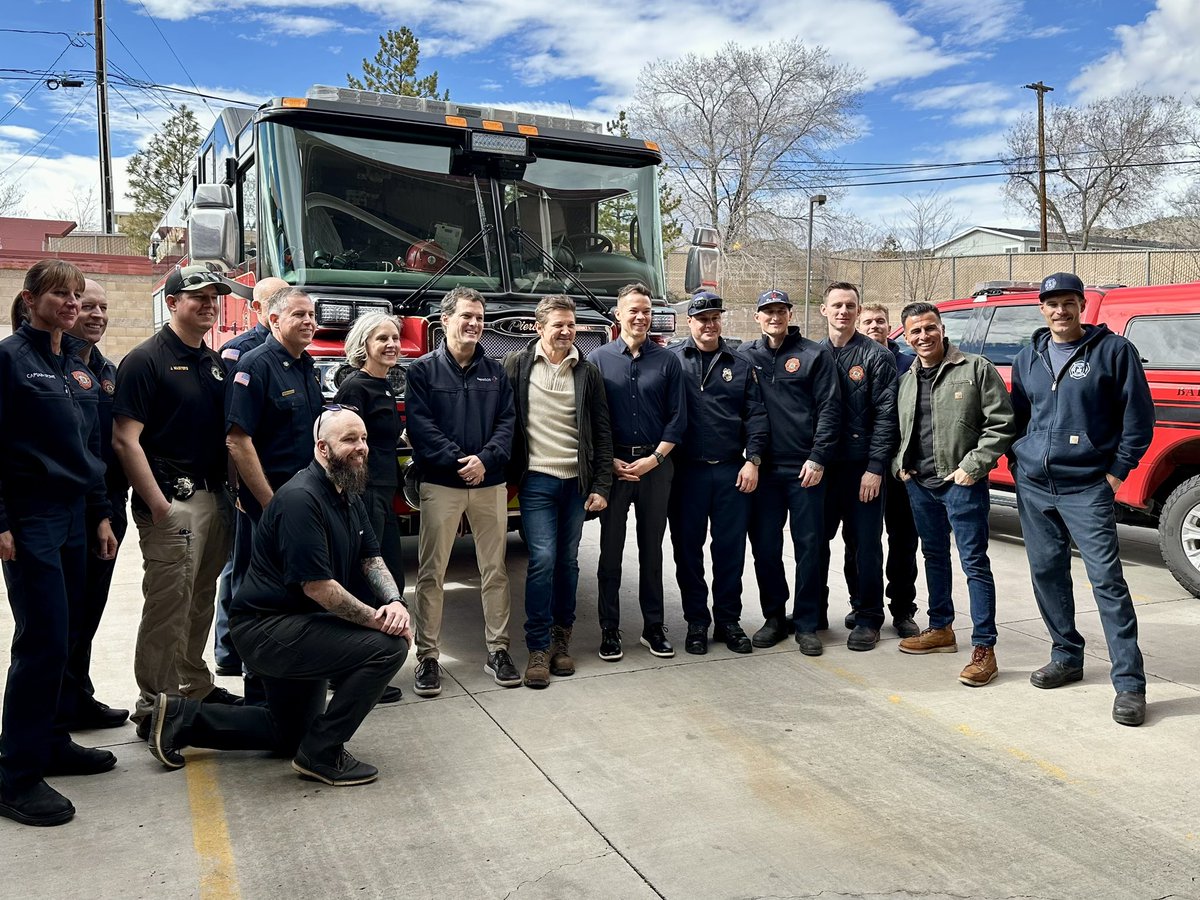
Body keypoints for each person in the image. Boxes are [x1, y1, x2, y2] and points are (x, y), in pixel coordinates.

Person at [146, 409, 411, 786]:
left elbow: (371, 558)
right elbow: (319, 588)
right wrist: (380, 620)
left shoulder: (347, 493)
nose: (362, 448)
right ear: (322, 448)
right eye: (350, 440)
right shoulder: (302, 500)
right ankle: (322, 753)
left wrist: (396, 602)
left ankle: (180, 718)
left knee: (288, 733)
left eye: (364, 439)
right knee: (387, 647)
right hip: (269, 628)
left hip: (303, 624)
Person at [0, 260, 118, 827]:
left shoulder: (76, 364)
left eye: (78, 295)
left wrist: (99, 516)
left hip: (76, 515)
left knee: (68, 633)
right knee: (41, 639)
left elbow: (91, 448)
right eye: (61, 295)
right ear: (30, 300)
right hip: (31, 517)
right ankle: (15, 773)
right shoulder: (10, 360)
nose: (73, 304)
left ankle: (51, 742)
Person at [1010, 273, 1155, 726]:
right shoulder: (1025, 358)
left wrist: (1114, 475)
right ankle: (1067, 656)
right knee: (1047, 575)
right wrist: (1021, 462)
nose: (1060, 311)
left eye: (1068, 302)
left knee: (1107, 583)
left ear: (1081, 305)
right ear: (1042, 309)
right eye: (1051, 303)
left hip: (1088, 486)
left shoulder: (1114, 352)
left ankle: (1129, 684)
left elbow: (1139, 419)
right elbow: (1020, 419)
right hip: (1035, 487)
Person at [113, 265, 241, 739]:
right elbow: (125, 440)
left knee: (200, 600)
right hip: (172, 502)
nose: (208, 304)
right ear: (171, 303)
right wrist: (160, 506)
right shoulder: (145, 360)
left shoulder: (214, 364)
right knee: (168, 605)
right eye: (197, 297)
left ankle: (193, 685)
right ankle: (155, 706)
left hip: (214, 500)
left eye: (214, 297)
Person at [893, 301, 1015, 687]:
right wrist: (902, 465)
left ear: (942, 329)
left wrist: (973, 467)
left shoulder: (975, 368)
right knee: (933, 557)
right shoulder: (908, 378)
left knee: (974, 563)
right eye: (915, 331)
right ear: (908, 337)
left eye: (929, 328)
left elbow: (1002, 424)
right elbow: (902, 428)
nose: (923, 336)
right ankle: (941, 628)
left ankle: (984, 649)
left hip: (960, 483)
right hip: (921, 485)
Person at [406, 286, 517, 696]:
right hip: (442, 484)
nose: (474, 324)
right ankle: (428, 658)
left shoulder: (497, 371)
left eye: (479, 317)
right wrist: (460, 462)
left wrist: (485, 460)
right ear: (446, 319)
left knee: (495, 571)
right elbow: (421, 428)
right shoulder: (422, 372)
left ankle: (498, 651)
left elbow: (508, 423)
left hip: (489, 484)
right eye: (466, 316)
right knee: (431, 573)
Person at [503, 295, 613, 687]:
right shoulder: (516, 366)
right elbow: (503, 421)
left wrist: (601, 484)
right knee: (543, 559)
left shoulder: (587, 372)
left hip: (575, 483)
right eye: (558, 325)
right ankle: (537, 647)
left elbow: (601, 431)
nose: (567, 332)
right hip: (536, 481)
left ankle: (560, 641)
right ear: (538, 328)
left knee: (567, 562)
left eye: (571, 326)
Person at [740, 289, 841, 657]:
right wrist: (749, 457)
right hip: (763, 471)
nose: (774, 317)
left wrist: (818, 458)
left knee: (810, 548)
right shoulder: (744, 357)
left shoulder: (813, 355)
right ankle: (774, 618)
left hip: (805, 469)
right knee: (766, 547)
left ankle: (807, 623)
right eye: (767, 311)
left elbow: (830, 410)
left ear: (789, 314)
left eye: (780, 311)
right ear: (757, 317)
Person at [588, 282, 686, 661]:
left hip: (655, 467)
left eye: (646, 310)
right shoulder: (598, 360)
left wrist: (655, 460)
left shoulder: (667, 361)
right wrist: (609, 460)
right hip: (613, 469)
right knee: (609, 551)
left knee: (652, 551)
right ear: (618, 314)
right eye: (633, 310)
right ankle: (609, 630)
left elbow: (678, 419)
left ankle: (653, 627)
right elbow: (592, 420)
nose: (641, 317)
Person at [667, 291, 768, 655]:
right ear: (689, 322)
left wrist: (752, 459)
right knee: (688, 551)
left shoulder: (740, 364)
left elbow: (756, 417)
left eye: (715, 318)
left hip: (730, 472)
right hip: (685, 474)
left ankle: (728, 620)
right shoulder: (672, 361)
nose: (709, 325)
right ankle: (696, 621)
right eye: (702, 318)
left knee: (729, 550)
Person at [59, 279, 130, 730]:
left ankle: (78, 696)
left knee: (89, 610)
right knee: (59, 619)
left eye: (103, 307)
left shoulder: (106, 369)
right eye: (88, 306)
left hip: (109, 507)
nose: (97, 315)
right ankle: (57, 711)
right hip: (73, 512)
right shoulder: (50, 366)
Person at [212, 275, 289, 677]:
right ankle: (230, 651)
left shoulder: (297, 355)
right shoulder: (238, 353)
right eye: (274, 299)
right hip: (250, 484)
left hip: (282, 483)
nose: (283, 304)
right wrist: (237, 486)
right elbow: (231, 430)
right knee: (241, 568)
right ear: (256, 309)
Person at [816, 283, 898, 652]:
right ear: (824, 310)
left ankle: (868, 616)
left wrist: (876, 466)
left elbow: (886, 416)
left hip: (861, 469)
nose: (843, 312)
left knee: (865, 546)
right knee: (814, 544)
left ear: (857, 309)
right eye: (837, 305)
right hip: (819, 470)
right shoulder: (811, 354)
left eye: (850, 305)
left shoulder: (877, 357)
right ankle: (813, 610)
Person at [843, 303, 919, 637]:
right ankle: (860, 601)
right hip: (863, 466)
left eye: (881, 321)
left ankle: (902, 609)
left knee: (903, 540)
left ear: (890, 327)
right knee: (859, 540)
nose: (875, 326)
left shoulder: (909, 364)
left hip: (899, 468)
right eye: (868, 321)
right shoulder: (853, 359)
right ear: (859, 325)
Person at [333, 312, 405, 597]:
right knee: (371, 572)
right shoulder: (355, 388)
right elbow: (347, 445)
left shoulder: (383, 384)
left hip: (385, 491)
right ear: (364, 344)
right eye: (382, 338)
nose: (392, 344)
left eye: (396, 338)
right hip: (366, 491)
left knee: (393, 574)